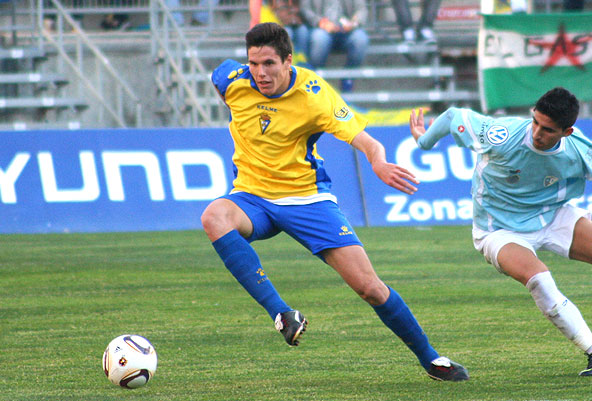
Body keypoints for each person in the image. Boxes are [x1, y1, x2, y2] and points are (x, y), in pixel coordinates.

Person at [201, 22, 469, 382]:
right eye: (254, 63)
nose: (260, 73)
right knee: (214, 216)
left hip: (307, 200)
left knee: (369, 287)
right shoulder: (233, 80)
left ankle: (431, 359)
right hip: (252, 198)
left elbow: (365, 140)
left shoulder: (313, 93)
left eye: (269, 64)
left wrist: (377, 161)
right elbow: (221, 80)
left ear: (288, 61)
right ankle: (281, 314)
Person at [409, 87, 592, 376]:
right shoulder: (501, 135)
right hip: (499, 229)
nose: (536, 133)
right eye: (535, 122)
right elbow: (454, 116)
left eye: (547, 129)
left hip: (552, 215)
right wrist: (424, 141)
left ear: (567, 131)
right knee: (540, 281)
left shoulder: (581, 151)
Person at [300, 0, 369, 92]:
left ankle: (348, 77)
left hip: (347, 30)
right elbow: (305, 9)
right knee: (319, 38)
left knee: (361, 39)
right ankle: (315, 77)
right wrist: (320, 22)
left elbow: (362, 9)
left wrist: (353, 23)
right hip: (322, 28)